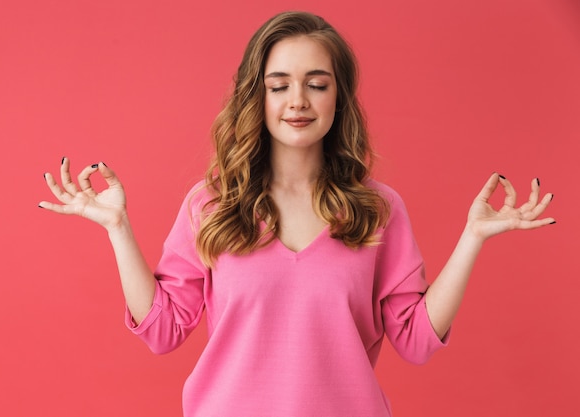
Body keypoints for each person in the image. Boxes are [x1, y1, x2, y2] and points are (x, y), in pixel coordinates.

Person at [38, 11, 555, 417]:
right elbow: (162, 331)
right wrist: (118, 228)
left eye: (317, 83)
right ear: (256, 96)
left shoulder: (377, 209)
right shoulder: (211, 204)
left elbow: (417, 342)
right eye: (279, 84)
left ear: (339, 96)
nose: (298, 101)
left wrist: (473, 237)